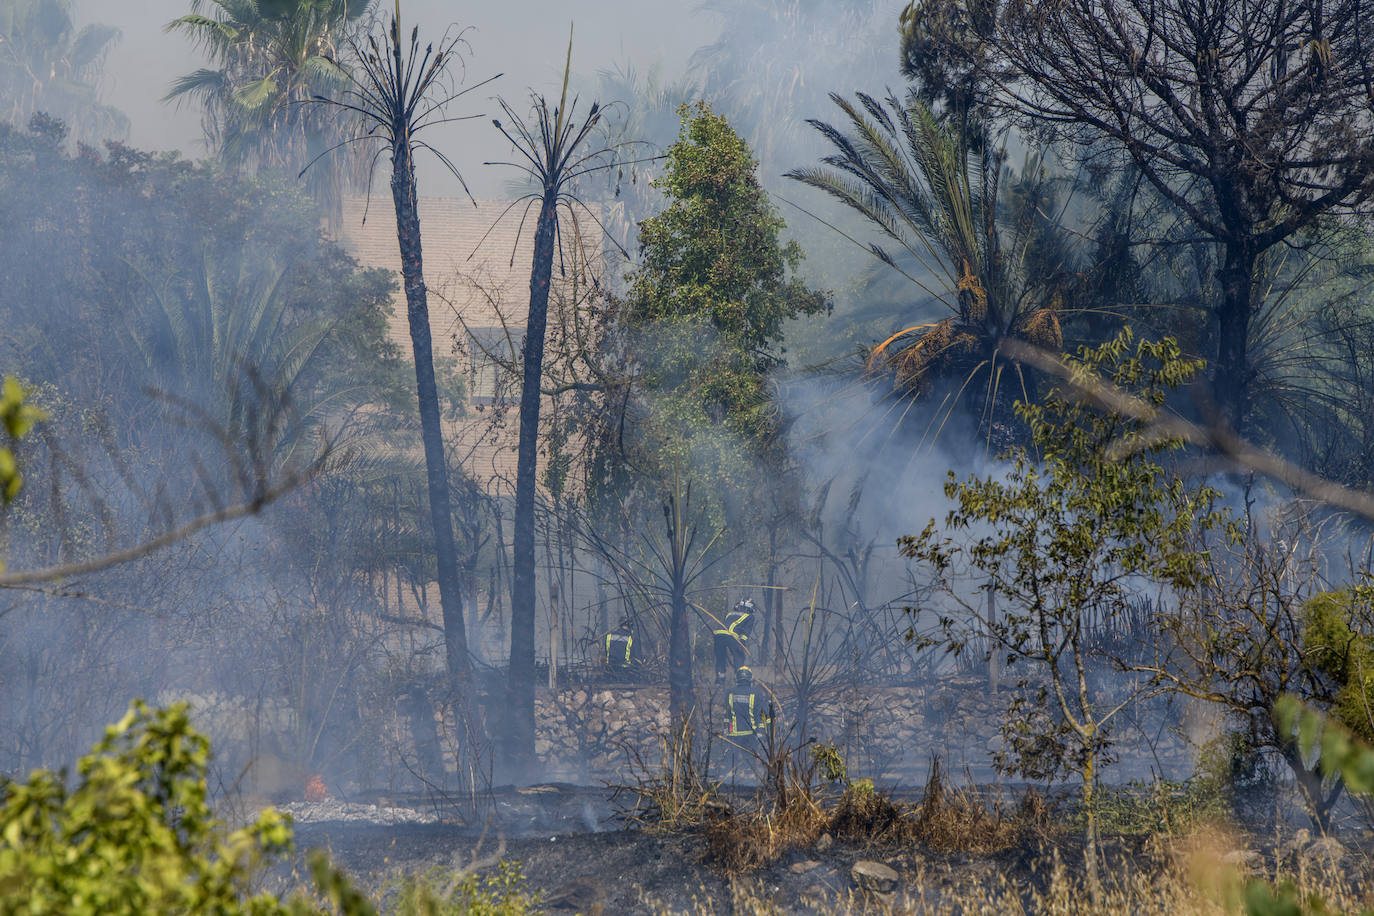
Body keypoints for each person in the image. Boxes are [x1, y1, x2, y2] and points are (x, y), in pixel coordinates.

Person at [714, 598, 757, 683]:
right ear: (750, 608)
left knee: (720, 658)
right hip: (731, 635)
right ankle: (740, 679)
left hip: (718, 635)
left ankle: (720, 679)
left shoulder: (730, 613)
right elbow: (746, 632)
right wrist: (742, 644)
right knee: (739, 657)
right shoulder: (749, 616)